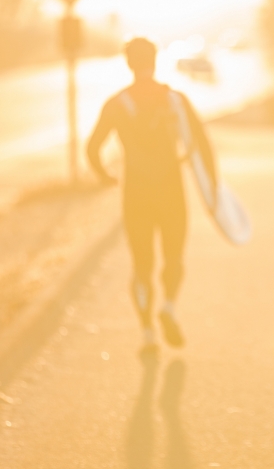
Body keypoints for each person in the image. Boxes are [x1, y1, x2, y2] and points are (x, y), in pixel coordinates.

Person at [87, 37, 217, 350]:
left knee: (141, 264)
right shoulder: (175, 100)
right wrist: (212, 191)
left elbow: (92, 149)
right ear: (155, 61)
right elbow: (202, 145)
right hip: (171, 190)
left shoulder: (116, 104)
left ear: (128, 63)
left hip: (135, 193)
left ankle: (147, 332)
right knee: (173, 258)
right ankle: (168, 306)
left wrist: (106, 177)